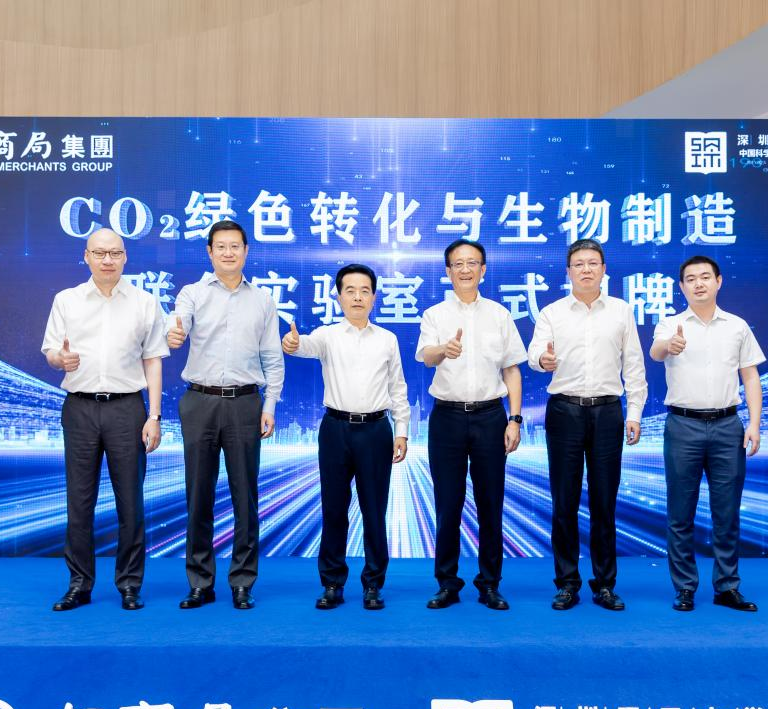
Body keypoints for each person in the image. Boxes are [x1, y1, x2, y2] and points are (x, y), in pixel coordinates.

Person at [41, 228, 168, 612]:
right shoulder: (66, 300)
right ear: (87, 256)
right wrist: (60, 360)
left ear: (125, 256)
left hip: (127, 409)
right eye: (99, 253)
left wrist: (154, 415)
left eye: (114, 253)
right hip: (79, 408)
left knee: (131, 503)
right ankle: (79, 584)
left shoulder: (144, 302)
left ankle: (130, 584)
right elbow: (51, 351)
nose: (107, 260)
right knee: (79, 502)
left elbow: (153, 360)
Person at [167, 220, 284, 610]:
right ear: (210, 251)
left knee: (244, 496)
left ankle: (242, 581)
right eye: (221, 246)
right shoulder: (193, 293)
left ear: (246, 251)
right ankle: (200, 582)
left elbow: (273, 357)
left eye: (235, 246)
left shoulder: (263, 300)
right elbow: (178, 321)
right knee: (198, 494)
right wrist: (173, 333)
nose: (228, 253)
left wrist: (269, 405)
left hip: (245, 403)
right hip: (200, 401)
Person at [282, 264, 410, 610]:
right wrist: (292, 342)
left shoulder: (387, 339)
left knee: (374, 510)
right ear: (338, 297)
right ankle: (332, 583)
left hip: (376, 430)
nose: (357, 297)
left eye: (364, 291)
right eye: (349, 290)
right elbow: (303, 346)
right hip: (335, 430)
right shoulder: (327, 335)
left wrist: (401, 431)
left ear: (374, 297)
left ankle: (373, 584)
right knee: (334, 509)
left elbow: (398, 388)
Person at [528, 240, 646, 611]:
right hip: (565, 411)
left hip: (608, 412)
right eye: (578, 264)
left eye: (593, 263)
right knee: (564, 501)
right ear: (568, 272)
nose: (586, 270)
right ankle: (566, 583)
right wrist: (543, 360)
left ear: (603, 269)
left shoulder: (621, 311)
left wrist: (634, 413)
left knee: (603, 502)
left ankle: (605, 584)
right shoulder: (552, 312)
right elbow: (533, 354)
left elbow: (634, 365)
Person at [650, 255, 764, 612]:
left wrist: (755, 424)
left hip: (728, 426)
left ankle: (727, 587)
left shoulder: (737, 326)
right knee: (680, 513)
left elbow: (750, 377)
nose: (698, 283)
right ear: (681, 287)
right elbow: (655, 352)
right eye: (690, 279)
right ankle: (684, 587)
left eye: (704, 277)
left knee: (726, 513)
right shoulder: (670, 324)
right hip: (682, 425)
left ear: (718, 281)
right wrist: (669, 346)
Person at [416, 239, 526, 610]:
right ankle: (447, 583)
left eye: (472, 263)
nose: (465, 269)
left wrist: (514, 419)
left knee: (490, 503)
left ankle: (490, 583)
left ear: (483, 270)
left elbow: (511, 369)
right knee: (448, 504)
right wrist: (443, 350)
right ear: (448, 271)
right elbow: (426, 357)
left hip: (490, 417)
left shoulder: (499, 315)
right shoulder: (434, 314)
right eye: (458, 264)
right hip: (446, 418)